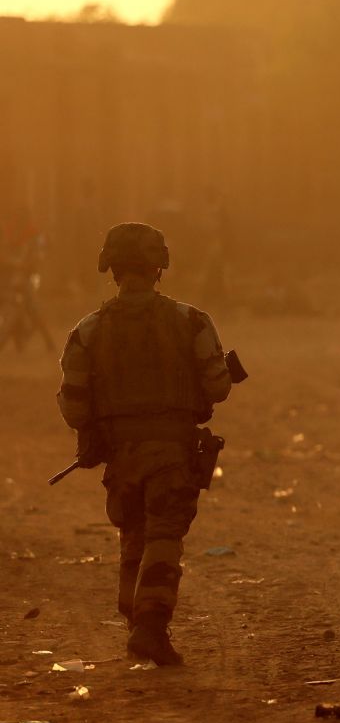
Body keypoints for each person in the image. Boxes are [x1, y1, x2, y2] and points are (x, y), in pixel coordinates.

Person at [57, 224, 232, 665]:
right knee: (164, 534)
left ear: (111, 269)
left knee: (133, 534)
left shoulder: (87, 331)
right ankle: (150, 624)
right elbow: (217, 387)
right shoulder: (192, 321)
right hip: (171, 450)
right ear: (159, 267)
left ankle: (136, 619)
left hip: (122, 454)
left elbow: (74, 408)